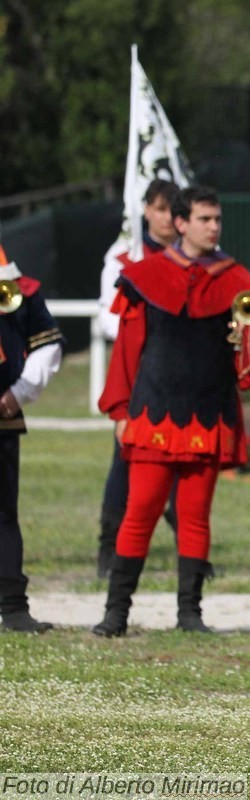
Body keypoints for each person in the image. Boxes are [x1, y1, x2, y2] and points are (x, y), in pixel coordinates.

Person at [93, 186, 250, 637]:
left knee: (195, 516)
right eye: (205, 219)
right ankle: (116, 614)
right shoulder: (145, 275)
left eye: (217, 219)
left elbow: (248, 367)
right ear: (181, 223)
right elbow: (128, 349)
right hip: (153, 411)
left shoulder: (235, 278)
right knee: (140, 512)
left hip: (209, 413)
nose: (214, 227)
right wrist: (118, 410)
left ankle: (190, 614)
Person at [96, 179, 181, 579]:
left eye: (173, 210)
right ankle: (108, 547)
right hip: (139, 370)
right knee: (126, 460)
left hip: (181, 372)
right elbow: (109, 320)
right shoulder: (124, 256)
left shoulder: (190, 257)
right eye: (160, 209)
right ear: (146, 210)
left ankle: (191, 550)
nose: (167, 218)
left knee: (187, 456)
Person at [0, 243, 64, 633]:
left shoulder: (20, 287)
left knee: (4, 514)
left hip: (2, 414)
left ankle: (12, 607)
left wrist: (19, 393)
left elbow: (47, 344)